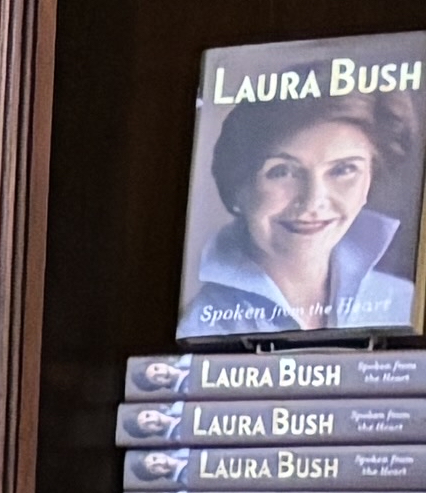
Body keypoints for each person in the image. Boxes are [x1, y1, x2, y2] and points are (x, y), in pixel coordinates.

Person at [180, 79, 423, 337]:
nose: (313, 201)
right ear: (239, 187)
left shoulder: (406, 303)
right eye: (282, 171)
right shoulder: (196, 327)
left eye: (343, 170)